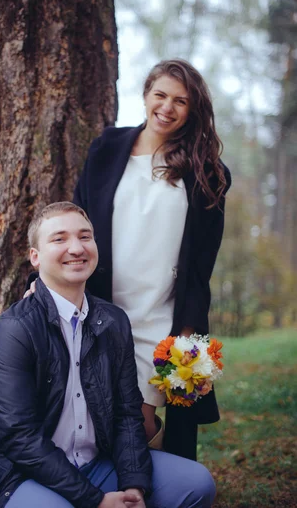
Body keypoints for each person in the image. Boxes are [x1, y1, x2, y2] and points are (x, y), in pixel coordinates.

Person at [26, 59, 231, 461]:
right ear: (145, 94)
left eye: (180, 101)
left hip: (159, 320)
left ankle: (150, 491)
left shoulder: (206, 172)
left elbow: (201, 265)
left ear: (193, 109)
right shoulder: (107, 148)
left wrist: (186, 336)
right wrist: (49, 283)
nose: (167, 108)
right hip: (99, 312)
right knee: (85, 420)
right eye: (160, 95)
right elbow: (77, 222)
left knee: (138, 426)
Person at [0, 202, 216, 508]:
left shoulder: (113, 321)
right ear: (35, 257)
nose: (76, 247)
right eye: (59, 239)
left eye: (85, 237)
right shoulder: (15, 330)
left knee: (196, 484)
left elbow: (127, 414)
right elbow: (20, 438)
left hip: (97, 465)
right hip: (21, 476)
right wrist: (95, 501)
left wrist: (135, 486)